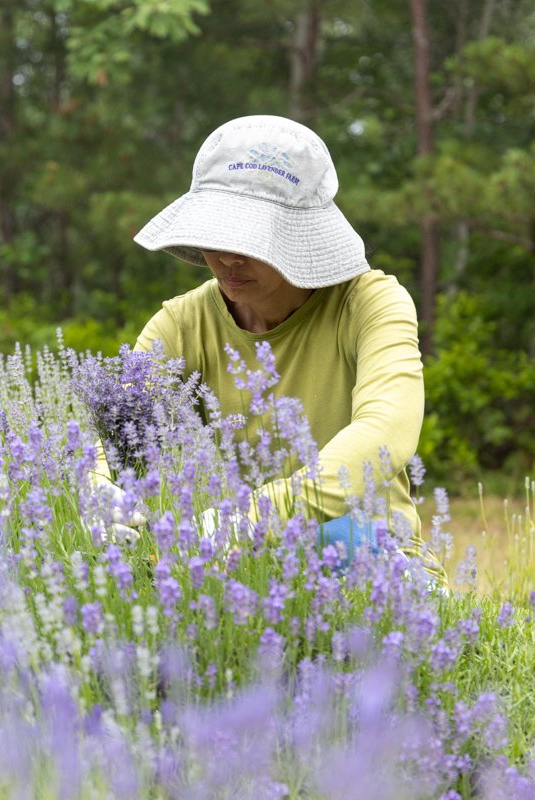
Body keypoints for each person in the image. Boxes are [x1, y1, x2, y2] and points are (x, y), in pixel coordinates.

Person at [128, 114, 433, 573]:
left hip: (368, 557)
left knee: (342, 537)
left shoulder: (370, 302)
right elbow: (115, 427)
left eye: (249, 238)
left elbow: (385, 433)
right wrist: (102, 493)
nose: (228, 257)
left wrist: (251, 518)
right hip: (232, 568)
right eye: (217, 233)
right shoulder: (181, 322)